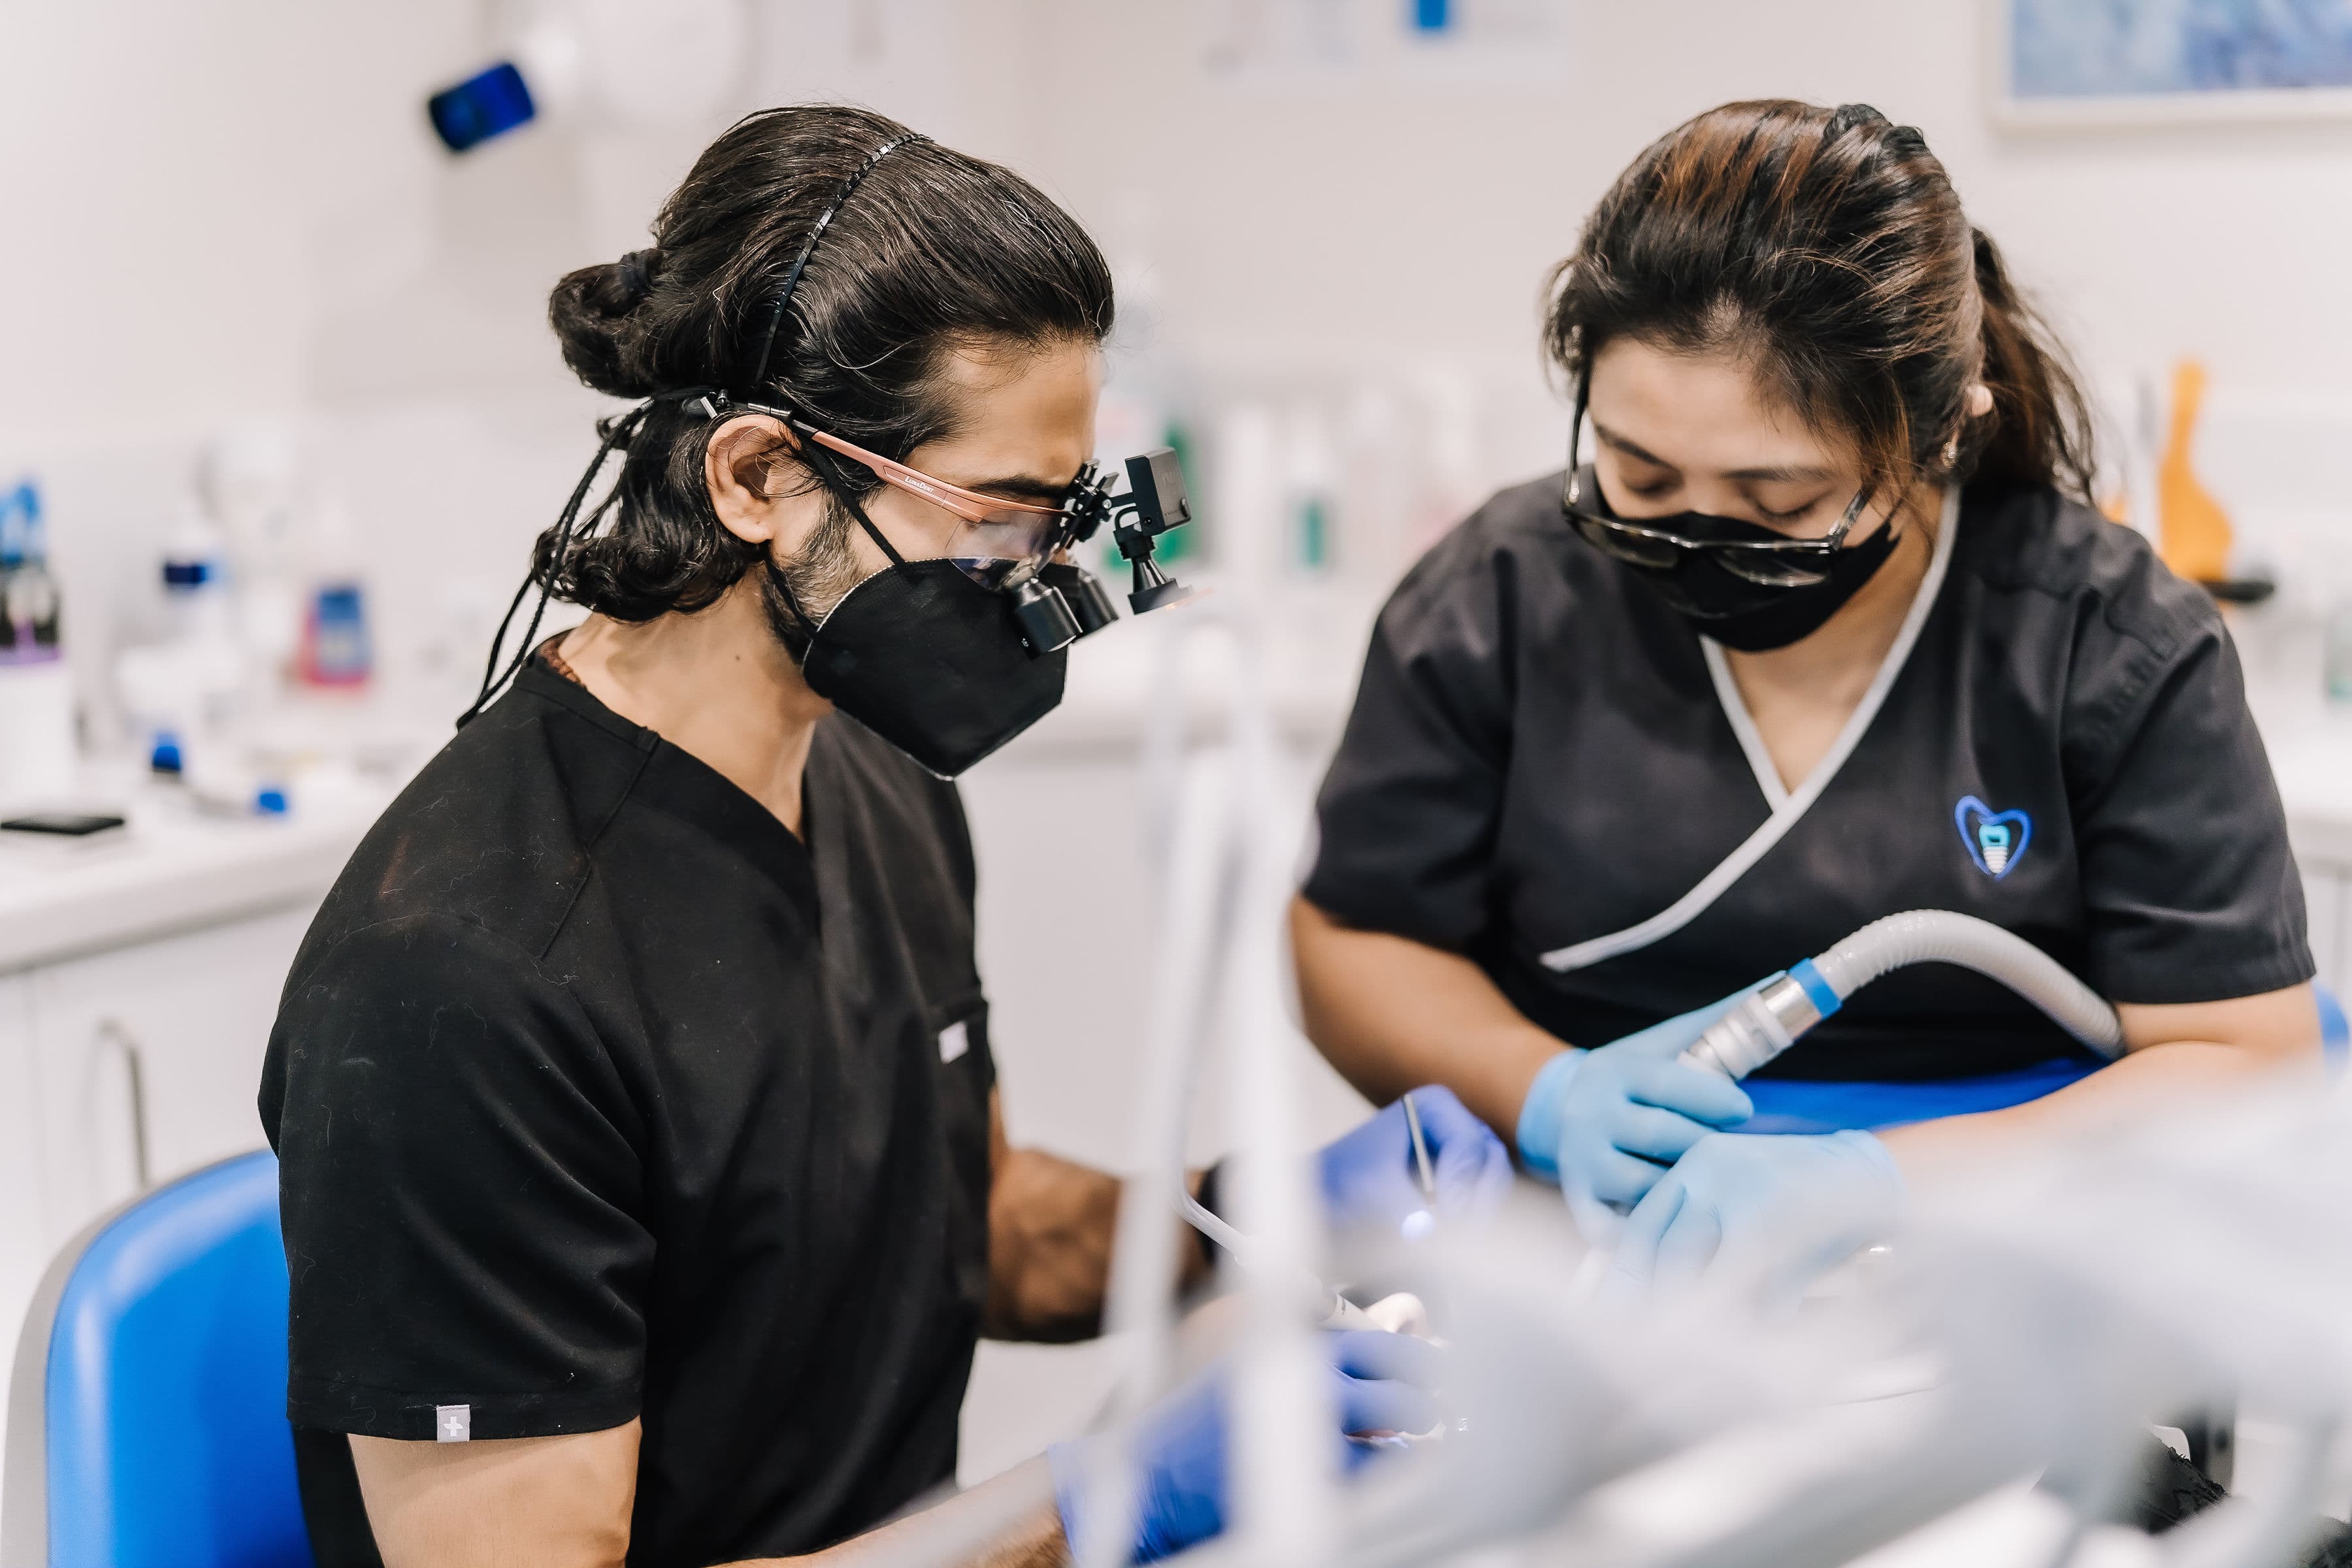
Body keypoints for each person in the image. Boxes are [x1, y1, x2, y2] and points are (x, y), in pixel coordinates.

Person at [261, 105, 1507, 1568]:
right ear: (759, 479)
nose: (1039, 588)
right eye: (996, 525)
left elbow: (974, 1223)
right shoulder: (468, 980)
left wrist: (1259, 1217)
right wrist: (1099, 1499)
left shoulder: (872, 768)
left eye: (1063, 525)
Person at [1290, 99, 2318, 1298]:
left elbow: (2243, 1054)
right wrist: (1543, 1089)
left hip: (2003, 1273)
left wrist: (1883, 1182)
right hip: (1579, 1270)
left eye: (1780, 500)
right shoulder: (1506, 596)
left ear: (1940, 432)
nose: (1698, 532)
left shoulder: (2104, 642)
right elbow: (1352, 937)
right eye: (1642, 472)